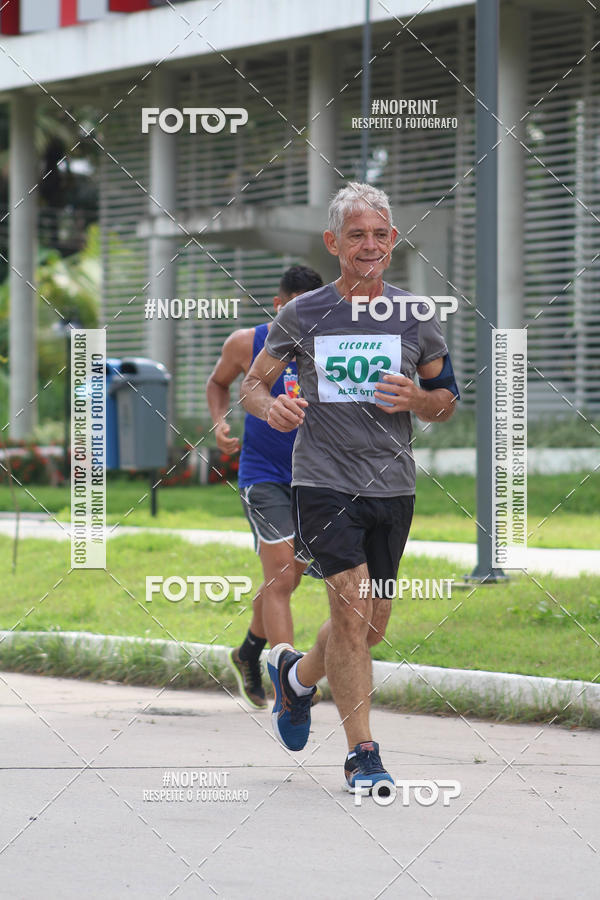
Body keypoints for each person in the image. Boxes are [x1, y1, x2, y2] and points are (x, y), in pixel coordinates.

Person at [241, 183, 460, 790]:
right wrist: (270, 411)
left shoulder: (416, 315)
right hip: (321, 481)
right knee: (348, 597)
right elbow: (253, 386)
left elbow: (447, 400)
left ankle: (296, 679)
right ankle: (363, 752)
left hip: (391, 485)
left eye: (380, 234)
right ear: (333, 242)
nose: (370, 245)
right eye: (356, 234)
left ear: (393, 241)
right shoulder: (303, 313)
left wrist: (419, 398)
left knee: (370, 623)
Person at [206, 265, 324, 709]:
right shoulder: (246, 343)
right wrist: (220, 424)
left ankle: (248, 652)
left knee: (290, 577)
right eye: (295, 310)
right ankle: (288, 688)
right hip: (263, 475)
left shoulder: (330, 347)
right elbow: (218, 383)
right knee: (279, 575)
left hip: (317, 478)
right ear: (278, 305)